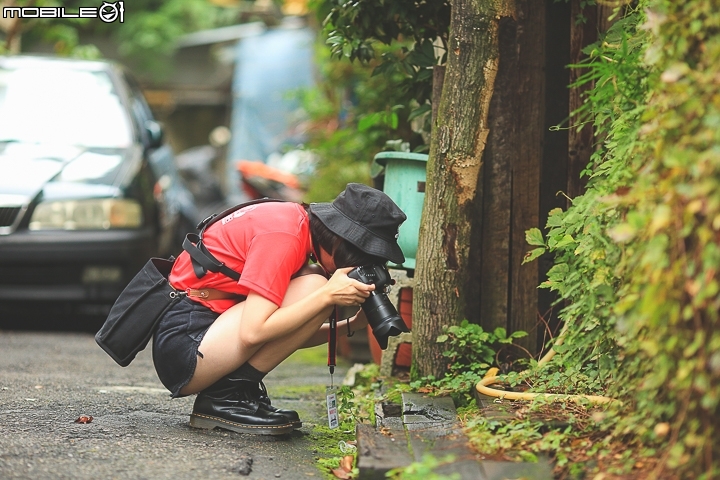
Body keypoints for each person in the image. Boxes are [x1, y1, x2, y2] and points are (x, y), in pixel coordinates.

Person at [151, 183, 407, 435]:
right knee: (315, 285)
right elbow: (254, 333)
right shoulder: (284, 236)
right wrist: (326, 295)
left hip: (204, 335)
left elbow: (284, 335)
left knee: (314, 283)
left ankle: (233, 393)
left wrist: (353, 324)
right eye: (364, 258)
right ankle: (225, 398)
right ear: (341, 239)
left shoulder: (294, 223)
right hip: (185, 344)